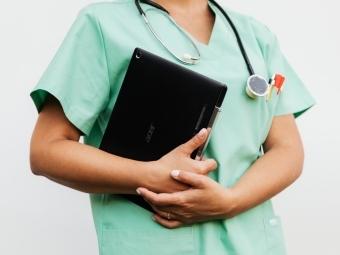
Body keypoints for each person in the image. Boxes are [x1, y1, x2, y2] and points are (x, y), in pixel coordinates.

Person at [29, 0, 315, 254]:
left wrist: (231, 201)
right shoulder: (102, 24)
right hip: (155, 241)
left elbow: (287, 148)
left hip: (252, 244)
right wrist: (149, 175)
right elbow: (47, 150)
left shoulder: (255, 36)